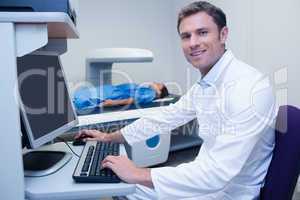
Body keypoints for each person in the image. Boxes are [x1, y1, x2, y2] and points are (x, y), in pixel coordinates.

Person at [75, 1, 276, 199]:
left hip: (229, 192)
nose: (193, 43)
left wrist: (140, 173)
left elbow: (218, 173)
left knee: (118, 187)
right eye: (186, 36)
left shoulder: (250, 88)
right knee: (115, 186)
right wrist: (109, 138)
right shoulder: (207, 83)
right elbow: (166, 117)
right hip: (204, 181)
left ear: (223, 34)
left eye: (202, 32)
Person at [73, 82, 169, 110]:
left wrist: (112, 103)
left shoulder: (150, 94)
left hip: (113, 94)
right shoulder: (148, 90)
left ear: (160, 91)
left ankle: (76, 103)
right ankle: (74, 100)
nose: (156, 82)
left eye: (159, 84)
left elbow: (133, 100)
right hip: (112, 90)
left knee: (86, 97)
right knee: (87, 93)